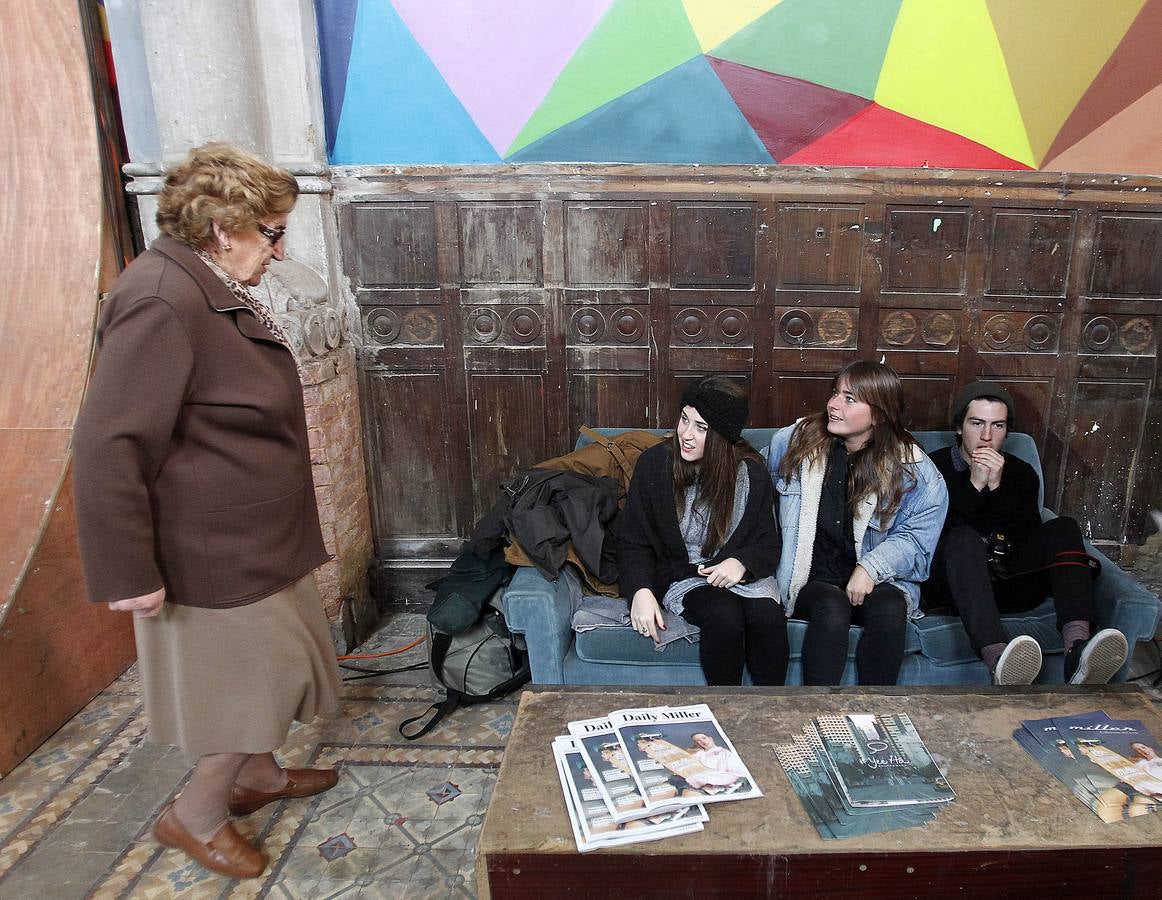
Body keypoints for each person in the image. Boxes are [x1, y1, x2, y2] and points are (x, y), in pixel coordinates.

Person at [72, 143, 341, 880]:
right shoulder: (161, 297)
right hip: (212, 550)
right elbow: (107, 443)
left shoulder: (202, 279)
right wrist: (127, 568)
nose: (279, 250)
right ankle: (193, 814)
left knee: (276, 668)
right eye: (272, 233)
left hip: (256, 536)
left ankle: (258, 776)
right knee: (257, 681)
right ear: (225, 228)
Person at [921, 382, 1129, 685]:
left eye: (998, 425)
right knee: (963, 536)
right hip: (954, 585)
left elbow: (1025, 538)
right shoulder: (932, 468)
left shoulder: (1020, 473)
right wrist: (974, 486)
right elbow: (930, 536)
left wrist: (997, 488)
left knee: (1063, 526)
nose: (986, 436)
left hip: (1008, 581)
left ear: (1008, 431)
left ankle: (1077, 651)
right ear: (958, 427)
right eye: (976, 423)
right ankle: (999, 660)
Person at [767, 360, 948, 685]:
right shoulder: (794, 442)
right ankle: (814, 714)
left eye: (850, 399)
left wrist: (870, 568)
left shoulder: (912, 467)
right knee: (832, 608)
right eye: (835, 393)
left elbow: (918, 539)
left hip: (879, 580)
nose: (834, 404)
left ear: (878, 413)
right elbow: (757, 493)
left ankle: (872, 716)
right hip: (813, 579)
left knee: (891, 610)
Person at [617, 376, 788, 685]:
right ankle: (723, 715)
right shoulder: (655, 466)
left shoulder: (750, 474)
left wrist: (742, 563)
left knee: (769, 619)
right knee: (724, 616)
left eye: (701, 428)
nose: (687, 435)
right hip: (685, 576)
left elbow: (768, 543)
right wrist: (639, 591)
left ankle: (771, 715)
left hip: (741, 578)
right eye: (685, 420)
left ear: (722, 436)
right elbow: (633, 542)